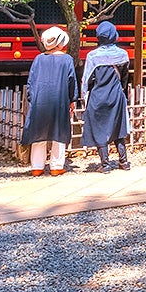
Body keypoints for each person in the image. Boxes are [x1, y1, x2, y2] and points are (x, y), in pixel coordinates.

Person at [22, 27, 77, 176]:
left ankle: (37, 167)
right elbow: (71, 81)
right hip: (59, 100)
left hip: (40, 100)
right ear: (60, 43)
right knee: (58, 132)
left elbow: (31, 82)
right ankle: (56, 166)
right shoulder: (67, 60)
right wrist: (72, 100)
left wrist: (31, 99)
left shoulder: (38, 59)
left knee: (39, 132)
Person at [81, 21, 134, 171]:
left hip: (98, 95)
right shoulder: (123, 54)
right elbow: (124, 77)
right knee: (118, 126)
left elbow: (87, 79)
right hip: (116, 95)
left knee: (99, 127)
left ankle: (105, 164)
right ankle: (123, 162)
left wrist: (84, 95)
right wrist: (120, 90)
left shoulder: (93, 56)